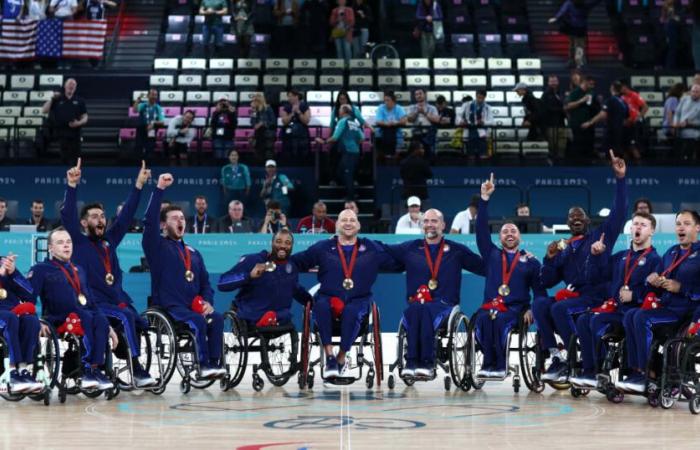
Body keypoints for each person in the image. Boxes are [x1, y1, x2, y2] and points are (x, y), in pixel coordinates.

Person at [61, 159, 156, 387]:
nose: (100, 219)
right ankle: (137, 369)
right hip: (92, 303)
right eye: (94, 216)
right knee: (125, 317)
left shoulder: (110, 241)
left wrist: (139, 185)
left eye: (102, 216)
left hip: (114, 301)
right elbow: (67, 217)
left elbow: (126, 217)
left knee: (137, 320)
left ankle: (122, 355)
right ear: (84, 223)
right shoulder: (78, 242)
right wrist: (71, 187)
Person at [535, 150, 627, 383]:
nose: (576, 219)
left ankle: (576, 357)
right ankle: (557, 356)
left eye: (580, 216)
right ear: (567, 223)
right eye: (571, 217)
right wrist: (548, 258)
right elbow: (546, 281)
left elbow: (619, 213)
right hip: (573, 296)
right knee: (540, 304)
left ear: (587, 221)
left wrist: (620, 180)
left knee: (558, 308)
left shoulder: (599, 235)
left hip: (596, 296)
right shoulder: (563, 248)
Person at [290, 209, 401, 378]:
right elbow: (299, 261)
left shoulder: (371, 247)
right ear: (336, 225)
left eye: (352, 220)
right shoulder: (323, 247)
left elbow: (396, 260)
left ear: (358, 225)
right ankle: (330, 357)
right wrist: (278, 264)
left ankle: (341, 358)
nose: (348, 223)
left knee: (351, 311)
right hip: (328, 297)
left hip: (359, 299)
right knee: (319, 305)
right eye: (344, 220)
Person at [141, 174, 225, 378]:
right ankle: (202, 365)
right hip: (171, 307)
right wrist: (159, 189)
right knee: (197, 321)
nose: (180, 221)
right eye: (174, 218)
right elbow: (149, 222)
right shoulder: (157, 247)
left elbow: (206, 283)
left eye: (182, 218)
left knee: (217, 317)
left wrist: (207, 302)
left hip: (193, 306)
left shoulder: (194, 253)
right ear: (163, 225)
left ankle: (215, 364)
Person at [383, 209, 484, 377]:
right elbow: (384, 249)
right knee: (415, 309)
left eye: (434, 221)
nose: (430, 225)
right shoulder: (411, 248)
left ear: (443, 225)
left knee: (424, 309)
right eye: (427, 221)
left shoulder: (456, 250)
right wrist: (359, 245)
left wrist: (506, 262)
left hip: (445, 305)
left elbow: (483, 266)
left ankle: (427, 363)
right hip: (419, 304)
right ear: (422, 225)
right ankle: (411, 361)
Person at [570, 212, 660, 388]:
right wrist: (596, 256)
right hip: (617, 312)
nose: (638, 228)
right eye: (635, 224)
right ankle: (590, 370)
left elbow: (657, 292)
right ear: (630, 229)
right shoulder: (620, 256)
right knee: (583, 319)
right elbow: (595, 277)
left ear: (652, 231)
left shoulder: (655, 260)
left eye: (643, 225)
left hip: (635, 313)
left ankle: (602, 368)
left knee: (596, 320)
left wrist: (635, 295)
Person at [473, 174, 545, 378]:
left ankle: (499, 365)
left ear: (520, 237)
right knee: (485, 318)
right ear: (499, 237)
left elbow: (540, 291)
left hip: (515, 310)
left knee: (500, 319)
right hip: (490, 307)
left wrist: (531, 309)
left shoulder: (531, 261)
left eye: (513, 231)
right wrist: (484, 200)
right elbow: (480, 232)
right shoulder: (491, 254)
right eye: (505, 232)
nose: (510, 234)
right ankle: (488, 365)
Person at [621, 210, 700, 392]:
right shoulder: (671, 252)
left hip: (685, 313)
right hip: (667, 307)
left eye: (686, 224)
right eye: (678, 224)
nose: (681, 227)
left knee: (641, 317)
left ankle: (646, 373)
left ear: (697, 228)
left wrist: (681, 288)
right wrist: (654, 280)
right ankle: (635, 370)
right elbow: (659, 281)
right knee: (630, 315)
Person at [29, 227, 115, 391]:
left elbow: (91, 302)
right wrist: (36, 322)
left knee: (101, 320)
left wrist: (108, 326)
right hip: (57, 318)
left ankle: (95, 369)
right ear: (50, 248)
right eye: (60, 242)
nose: (66, 246)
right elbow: (28, 299)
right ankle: (86, 371)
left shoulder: (79, 270)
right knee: (86, 317)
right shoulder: (40, 269)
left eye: (68, 242)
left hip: (82, 315)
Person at [219, 229, 312, 327]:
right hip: (252, 317)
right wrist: (249, 276)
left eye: (287, 243)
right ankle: (267, 318)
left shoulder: (291, 267)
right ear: (272, 243)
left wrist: (313, 303)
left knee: (285, 316)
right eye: (278, 241)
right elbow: (222, 283)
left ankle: (271, 318)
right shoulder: (254, 260)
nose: (283, 246)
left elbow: (296, 289)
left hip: (279, 318)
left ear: (292, 246)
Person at [0, 253, 43, 393]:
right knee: (11, 318)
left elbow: (29, 295)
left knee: (31, 320)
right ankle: (12, 371)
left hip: (11, 313)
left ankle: (23, 369)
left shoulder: (4, 263)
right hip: (7, 316)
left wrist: (13, 273)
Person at [316, 104, 365, 200]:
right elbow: (362, 138)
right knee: (340, 172)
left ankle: (351, 197)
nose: (338, 111)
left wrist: (324, 141)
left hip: (348, 152)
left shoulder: (342, 122)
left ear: (343, 112)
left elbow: (335, 137)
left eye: (340, 110)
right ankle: (351, 192)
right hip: (355, 152)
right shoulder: (354, 122)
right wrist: (354, 143)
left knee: (348, 175)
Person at [42, 78, 88, 164]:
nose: (71, 85)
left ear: (75, 87)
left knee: (76, 160)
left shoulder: (80, 100)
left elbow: (85, 117)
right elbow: (44, 110)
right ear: (65, 86)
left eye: (73, 84)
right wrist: (52, 99)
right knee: (63, 159)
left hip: (75, 133)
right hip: (61, 133)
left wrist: (79, 123)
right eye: (69, 83)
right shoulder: (57, 99)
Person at [547, 0, 603, 68]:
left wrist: (556, 18)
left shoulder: (584, 4)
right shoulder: (570, 3)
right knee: (573, 45)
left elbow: (595, 2)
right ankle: (572, 61)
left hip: (580, 28)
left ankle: (578, 61)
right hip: (574, 27)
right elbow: (562, 11)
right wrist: (556, 17)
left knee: (579, 45)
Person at [581, 81, 629, 156]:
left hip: (612, 132)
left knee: (611, 155)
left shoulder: (611, 100)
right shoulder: (623, 102)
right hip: (621, 132)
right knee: (619, 154)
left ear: (612, 88)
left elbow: (602, 114)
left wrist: (589, 123)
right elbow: (626, 119)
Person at [565, 75, 600, 161]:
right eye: (590, 84)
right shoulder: (575, 92)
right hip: (577, 124)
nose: (592, 86)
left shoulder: (592, 93)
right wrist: (581, 101)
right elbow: (567, 106)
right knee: (578, 147)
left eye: (593, 84)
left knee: (589, 147)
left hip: (589, 124)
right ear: (585, 82)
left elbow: (597, 108)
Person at [406, 88, 440, 160]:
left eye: (420, 94)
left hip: (428, 133)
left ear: (425, 94)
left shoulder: (432, 108)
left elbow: (437, 120)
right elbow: (409, 120)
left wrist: (424, 112)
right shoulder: (411, 107)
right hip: (416, 133)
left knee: (427, 150)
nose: (418, 96)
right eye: (416, 94)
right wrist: (417, 112)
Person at [132, 89, 165, 163]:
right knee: (138, 146)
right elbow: (134, 110)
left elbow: (162, 122)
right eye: (152, 94)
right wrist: (137, 100)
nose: (154, 96)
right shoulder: (143, 105)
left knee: (150, 148)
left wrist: (152, 123)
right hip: (141, 128)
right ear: (148, 96)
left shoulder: (158, 108)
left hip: (152, 129)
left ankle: (148, 166)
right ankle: (138, 166)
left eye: (155, 95)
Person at [620, 80, 648, 162]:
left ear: (625, 87)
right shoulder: (622, 97)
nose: (620, 89)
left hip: (634, 125)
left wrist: (638, 117)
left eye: (621, 87)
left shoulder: (634, 95)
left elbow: (645, 107)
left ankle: (640, 166)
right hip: (625, 125)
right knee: (624, 147)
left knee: (633, 146)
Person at [541, 75, 568, 160]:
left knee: (562, 144)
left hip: (561, 123)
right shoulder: (545, 95)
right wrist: (562, 109)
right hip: (550, 124)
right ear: (548, 83)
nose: (553, 83)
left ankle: (561, 163)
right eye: (551, 81)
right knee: (552, 145)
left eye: (555, 81)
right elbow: (545, 109)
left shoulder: (561, 93)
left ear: (558, 82)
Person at [374, 91, 407, 158]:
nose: (386, 102)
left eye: (388, 100)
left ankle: (392, 161)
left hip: (396, 133)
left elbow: (404, 121)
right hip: (382, 132)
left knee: (393, 133)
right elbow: (378, 121)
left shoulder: (399, 108)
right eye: (385, 100)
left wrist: (396, 122)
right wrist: (387, 124)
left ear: (394, 101)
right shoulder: (381, 107)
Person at [280, 90, 311, 160]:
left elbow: (306, 121)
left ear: (296, 97)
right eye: (288, 97)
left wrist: (299, 112)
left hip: (302, 133)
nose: (289, 98)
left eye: (290, 96)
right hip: (289, 133)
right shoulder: (286, 107)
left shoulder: (304, 106)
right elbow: (284, 121)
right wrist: (292, 113)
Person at [461, 90, 492, 159]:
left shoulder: (488, 107)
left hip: (482, 132)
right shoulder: (467, 105)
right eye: (478, 97)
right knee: (471, 156)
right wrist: (462, 121)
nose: (480, 100)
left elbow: (491, 121)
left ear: (485, 97)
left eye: (482, 98)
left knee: (483, 156)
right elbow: (459, 116)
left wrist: (484, 122)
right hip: (470, 130)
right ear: (476, 96)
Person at [672, 84, 700, 161]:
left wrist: (689, 123)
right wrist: (675, 123)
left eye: (697, 92)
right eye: (693, 91)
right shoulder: (684, 99)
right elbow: (677, 113)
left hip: (694, 134)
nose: (694, 93)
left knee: (689, 157)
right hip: (680, 132)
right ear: (690, 92)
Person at [250, 93, 276, 164]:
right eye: (254, 100)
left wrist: (263, 123)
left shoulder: (268, 108)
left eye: (256, 100)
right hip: (258, 134)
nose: (255, 102)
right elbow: (252, 122)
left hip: (268, 133)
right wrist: (254, 111)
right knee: (258, 150)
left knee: (268, 151)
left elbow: (273, 121)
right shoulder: (254, 111)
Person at [209, 96, 237, 161]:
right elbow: (213, 125)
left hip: (229, 138)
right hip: (217, 137)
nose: (223, 103)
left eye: (224, 101)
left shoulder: (231, 111)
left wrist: (231, 113)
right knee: (218, 157)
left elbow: (234, 125)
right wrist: (217, 112)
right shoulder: (215, 113)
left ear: (228, 103)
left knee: (227, 157)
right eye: (221, 102)